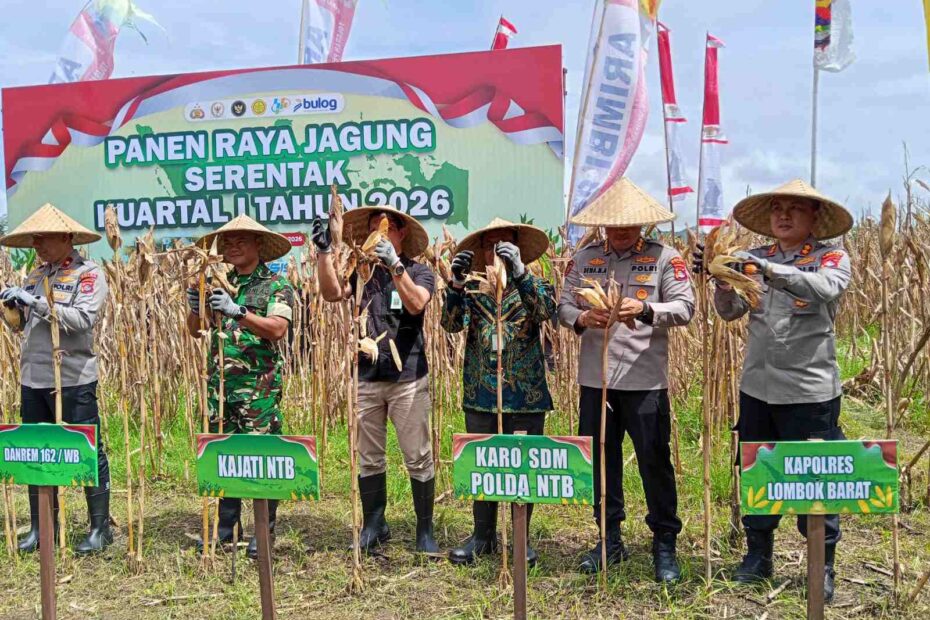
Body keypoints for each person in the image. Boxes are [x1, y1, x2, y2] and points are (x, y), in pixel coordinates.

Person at [693, 179, 853, 602]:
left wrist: (765, 270)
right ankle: (758, 556)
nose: (783, 216)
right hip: (758, 387)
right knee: (760, 472)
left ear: (815, 217)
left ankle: (822, 564)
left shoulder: (830, 258)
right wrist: (721, 279)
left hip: (810, 390)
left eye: (795, 209)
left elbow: (824, 289)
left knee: (813, 479)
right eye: (778, 208)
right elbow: (730, 313)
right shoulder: (756, 258)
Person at [558, 178, 694, 582]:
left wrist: (647, 308)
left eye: (628, 224)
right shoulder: (584, 259)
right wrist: (581, 318)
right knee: (601, 460)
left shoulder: (665, 259)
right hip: (595, 380)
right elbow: (563, 305)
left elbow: (686, 307)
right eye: (612, 224)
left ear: (642, 224)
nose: (619, 231)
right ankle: (608, 537)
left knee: (654, 460)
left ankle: (664, 541)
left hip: (644, 379)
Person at [313, 206, 438, 553]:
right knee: (369, 456)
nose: (378, 234)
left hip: (408, 378)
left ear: (400, 235)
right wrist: (324, 253)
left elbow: (415, 304)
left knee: (418, 455)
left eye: (386, 228)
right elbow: (331, 293)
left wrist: (396, 266)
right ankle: (374, 523)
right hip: (366, 376)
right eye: (372, 229)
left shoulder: (420, 272)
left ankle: (425, 530)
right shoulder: (362, 273)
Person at [441, 218, 555, 567]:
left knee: (523, 466)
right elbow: (450, 324)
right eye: (492, 245)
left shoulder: (536, 284)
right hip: (482, 393)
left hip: (526, 394)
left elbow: (546, 311)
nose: (499, 251)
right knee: (483, 463)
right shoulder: (474, 291)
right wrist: (456, 285)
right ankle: (483, 535)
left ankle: (521, 537)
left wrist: (520, 273)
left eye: (506, 244)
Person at [0, 203, 111, 554]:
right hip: (34, 377)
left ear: (66, 238)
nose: (37, 245)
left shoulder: (88, 274)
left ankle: (100, 528)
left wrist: (37, 302)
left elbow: (83, 319)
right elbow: (21, 328)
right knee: (38, 448)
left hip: (73, 378)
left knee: (86, 448)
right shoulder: (35, 276)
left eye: (43, 238)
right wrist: (11, 309)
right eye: (34, 239)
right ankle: (42, 527)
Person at [185, 215, 296, 560]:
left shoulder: (276, 284)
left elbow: (277, 329)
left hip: (257, 389)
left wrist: (238, 311)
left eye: (240, 242)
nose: (231, 247)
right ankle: (226, 526)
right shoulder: (218, 281)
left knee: (262, 456)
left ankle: (264, 530)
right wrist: (196, 307)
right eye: (227, 243)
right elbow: (196, 329)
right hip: (220, 385)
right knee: (225, 453)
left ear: (258, 246)